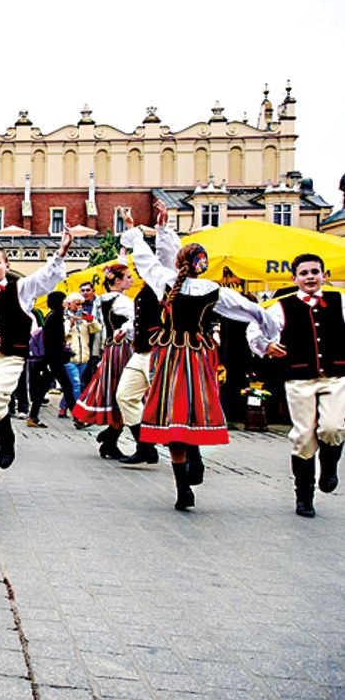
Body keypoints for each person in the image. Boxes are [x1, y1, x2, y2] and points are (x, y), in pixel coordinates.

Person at [120, 212, 278, 512]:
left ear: (179, 264)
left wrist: (138, 233)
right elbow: (254, 312)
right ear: (202, 264)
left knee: (173, 415)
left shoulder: (166, 282)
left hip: (170, 357)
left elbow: (145, 261)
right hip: (199, 357)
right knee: (194, 411)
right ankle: (195, 458)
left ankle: (183, 486)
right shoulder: (214, 291)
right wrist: (267, 339)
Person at [0, 228, 72, 494]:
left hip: (10, 358)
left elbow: (45, 277)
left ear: (7, 265)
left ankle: (8, 438)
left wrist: (61, 252)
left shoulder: (21, 289)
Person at [248, 253, 343, 518]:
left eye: (315, 271)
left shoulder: (339, 301)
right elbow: (255, 328)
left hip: (335, 377)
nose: (310, 277)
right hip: (299, 380)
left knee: (333, 427)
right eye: (304, 273)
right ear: (294, 278)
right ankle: (304, 495)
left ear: (325, 275)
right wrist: (265, 345)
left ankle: (330, 465)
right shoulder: (281, 307)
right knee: (303, 437)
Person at [116, 203, 180, 466]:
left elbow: (161, 258)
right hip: (140, 350)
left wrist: (157, 230)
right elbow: (139, 318)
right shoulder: (149, 287)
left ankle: (188, 452)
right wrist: (126, 330)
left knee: (167, 404)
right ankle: (145, 447)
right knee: (125, 396)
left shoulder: (164, 283)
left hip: (159, 352)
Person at [73, 262, 135, 457]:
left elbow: (99, 325)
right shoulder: (124, 302)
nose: (132, 280)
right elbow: (135, 322)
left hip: (109, 348)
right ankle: (113, 438)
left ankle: (110, 438)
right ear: (117, 281)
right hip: (122, 348)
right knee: (126, 393)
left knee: (116, 392)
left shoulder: (101, 300)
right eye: (128, 277)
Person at [26, 291, 80, 428]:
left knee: (45, 388)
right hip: (54, 359)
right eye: (63, 300)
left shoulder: (53, 316)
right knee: (66, 387)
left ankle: (33, 416)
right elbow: (52, 341)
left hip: (52, 359)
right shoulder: (55, 317)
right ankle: (78, 418)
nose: (66, 303)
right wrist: (56, 357)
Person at [60, 291, 100, 427]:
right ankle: (79, 415)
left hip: (84, 356)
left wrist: (91, 319)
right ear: (69, 304)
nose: (80, 307)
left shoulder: (83, 317)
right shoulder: (63, 316)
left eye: (82, 304)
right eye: (77, 304)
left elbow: (97, 329)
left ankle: (63, 406)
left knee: (71, 384)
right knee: (76, 384)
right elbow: (62, 335)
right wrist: (70, 324)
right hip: (70, 355)